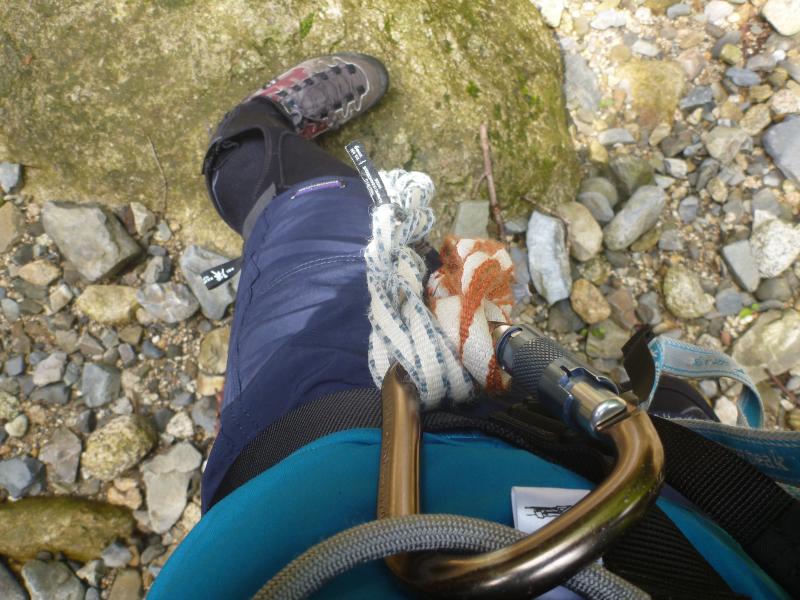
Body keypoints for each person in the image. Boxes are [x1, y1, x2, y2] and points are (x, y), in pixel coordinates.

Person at [148, 54, 789, 599]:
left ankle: (248, 146)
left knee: (331, 225)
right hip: (682, 515)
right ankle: (681, 429)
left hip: (309, 469)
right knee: (430, 282)